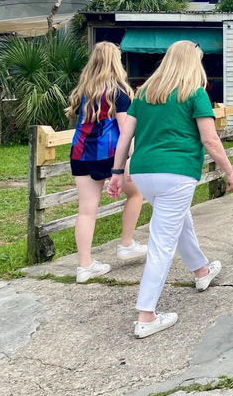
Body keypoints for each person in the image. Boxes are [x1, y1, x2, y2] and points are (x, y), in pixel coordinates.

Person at [107, 40, 233, 339]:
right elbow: (211, 140)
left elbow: (125, 135)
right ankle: (146, 315)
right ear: (194, 63)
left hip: (143, 173)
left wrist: (116, 173)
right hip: (176, 173)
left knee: (179, 223)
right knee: (162, 243)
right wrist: (229, 172)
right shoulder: (196, 94)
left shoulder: (144, 94)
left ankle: (201, 271)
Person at [65, 42, 147, 283]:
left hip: (80, 154)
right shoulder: (119, 92)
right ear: (115, 61)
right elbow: (125, 130)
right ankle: (126, 244)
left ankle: (85, 266)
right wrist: (129, 161)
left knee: (86, 211)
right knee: (136, 194)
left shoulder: (83, 90)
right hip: (111, 155)